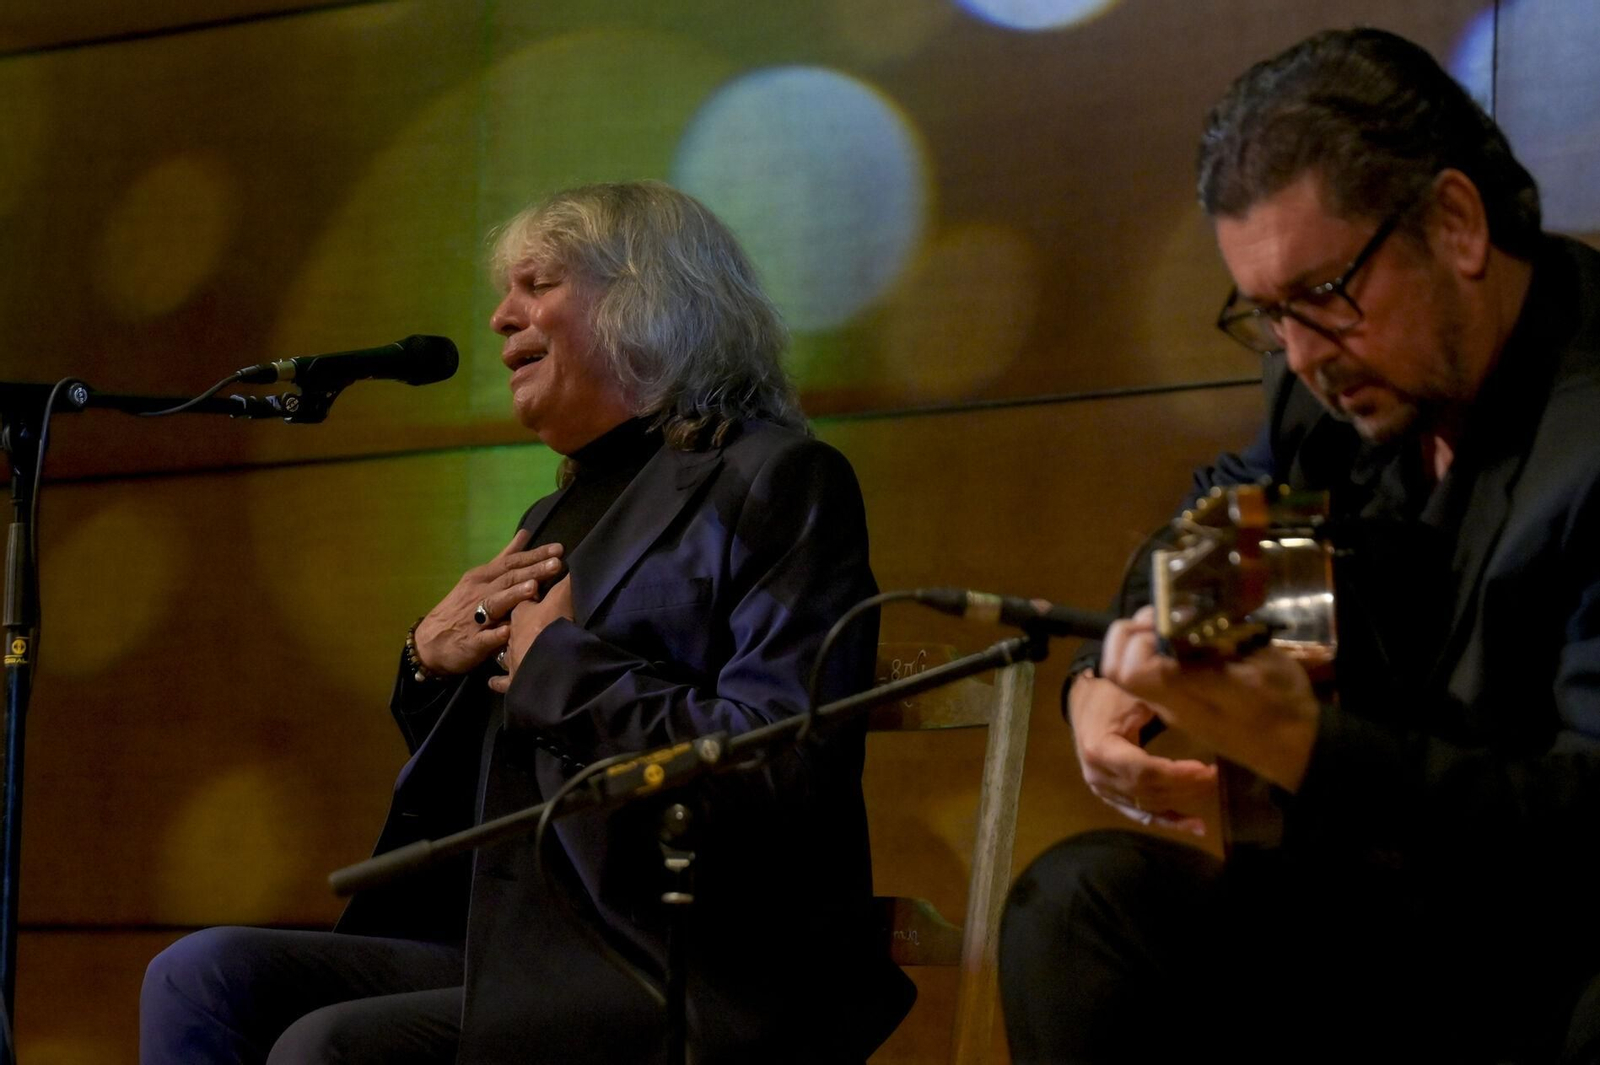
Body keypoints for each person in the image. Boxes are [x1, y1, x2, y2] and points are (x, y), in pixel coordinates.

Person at [141, 181, 913, 1064]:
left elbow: (782, 764)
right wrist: (431, 666)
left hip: (676, 963)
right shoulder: (559, 511)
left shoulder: (779, 480)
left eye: (537, 285)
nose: (503, 317)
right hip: (511, 940)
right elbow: (506, 761)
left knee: (331, 1046)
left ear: (646, 297)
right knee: (199, 974)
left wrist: (563, 668)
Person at [1000, 28, 1600, 1064]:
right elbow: (1228, 510)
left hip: (1550, 953)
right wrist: (1131, 667)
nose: (1302, 356)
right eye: (1269, 314)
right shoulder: (1334, 382)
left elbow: (1584, 825)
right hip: (1378, 927)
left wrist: (1308, 750)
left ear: (1455, 224)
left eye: (1323, 295)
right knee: (1075, 907)